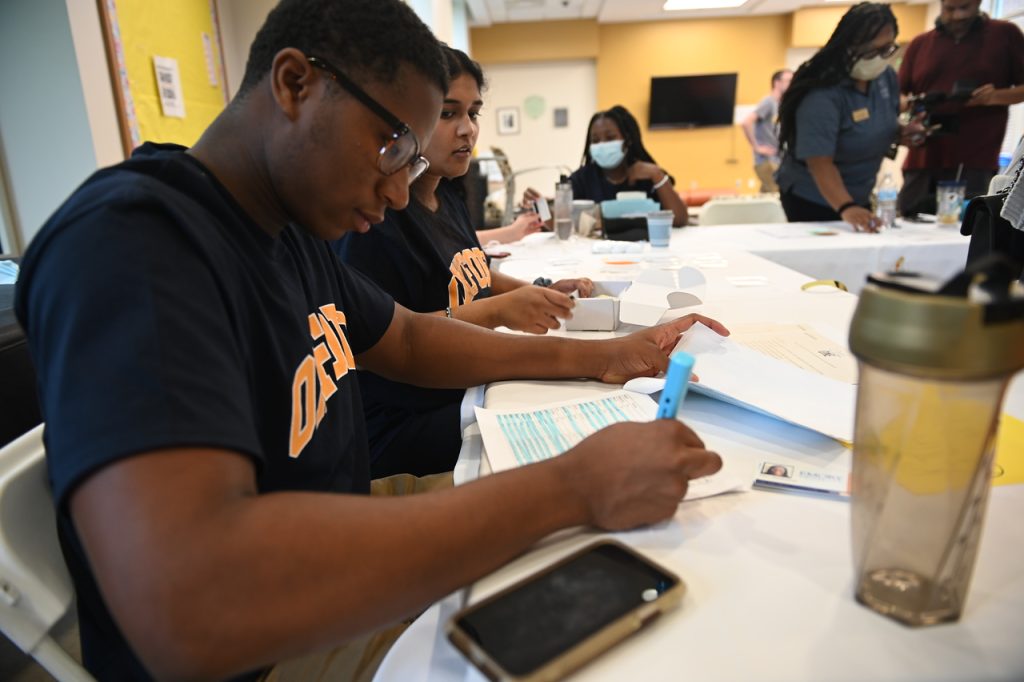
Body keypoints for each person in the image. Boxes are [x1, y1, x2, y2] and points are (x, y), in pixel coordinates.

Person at [13, 1, 727, 680]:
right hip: (266, 648)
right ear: (296, 83)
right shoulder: (135, 246)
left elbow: (411, 340)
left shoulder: (285, 226)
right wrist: (572, 487)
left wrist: (604, 357)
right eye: (392, 146)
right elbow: (191, 608)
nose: (395, 191)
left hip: (350, 522)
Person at [334, 47, 595, 478]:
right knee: (560, 428)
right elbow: (393, 339)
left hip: (462, 385)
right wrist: (498, 310)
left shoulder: (449, 191)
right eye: (448, 114)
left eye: (473, 113)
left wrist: (536, 289)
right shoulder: (375, 222)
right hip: (402, 418)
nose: (467, 130)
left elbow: (470, 270)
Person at [776, 2, 925, 232]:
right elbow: (819, 162)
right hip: (814, 196)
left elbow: (878, 121)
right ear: (849, 46)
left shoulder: (885, 78)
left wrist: (900, 132)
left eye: (887, 48)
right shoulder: (822, 92)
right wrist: (847, 208)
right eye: (871, 50)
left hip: (859, 191)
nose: (880, 57)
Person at [897, 0, 1024, 216]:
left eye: (964, 8)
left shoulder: (1005, 35)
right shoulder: (921, 44)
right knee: (906, 223)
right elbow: (896, 96)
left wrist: (995, 97)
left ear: (978, 3)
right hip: (923, 156)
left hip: (975, 158)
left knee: (967, 231)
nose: (957, 16)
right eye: (950, 9)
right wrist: (914, 104)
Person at [523, 105, 689, 227]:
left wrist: (657, 176)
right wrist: (540, 205)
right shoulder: (582, 179)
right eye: (595, 140)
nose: (602, 145)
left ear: (627, 140)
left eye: (610, 138)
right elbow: (561, 225)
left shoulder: (648, 175)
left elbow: (680, 220)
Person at [741, 69, 793, 193]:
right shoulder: (768, 102)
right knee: (778, 195)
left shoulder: (780, 105)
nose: (792, 84)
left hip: (777, 159)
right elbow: (746, 122)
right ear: (777, 83)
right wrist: (757, 147)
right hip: (767, 161)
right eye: (789, 81)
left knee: (766, 195)